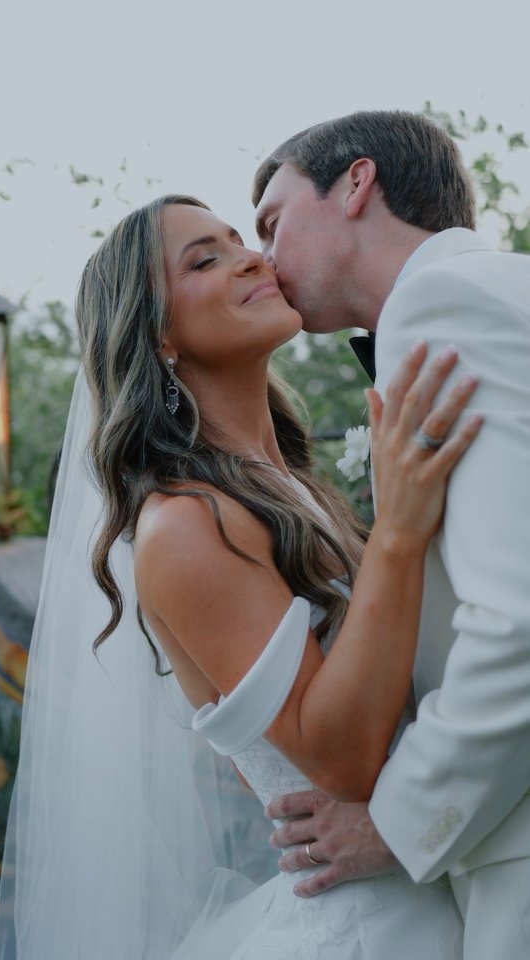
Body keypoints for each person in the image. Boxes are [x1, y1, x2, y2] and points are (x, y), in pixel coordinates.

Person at [0, 194, 480, 960]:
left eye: (239, 240)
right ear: (158, 335)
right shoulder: (185, 524)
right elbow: (342, 757)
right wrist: (397, 530)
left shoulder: (286, 485)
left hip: (442, 880)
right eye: (204, 258)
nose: (251, 256)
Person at [252, 109, 530, 959]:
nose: (260, 259)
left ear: (356, 184)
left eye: (272, 222)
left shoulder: (444, 303)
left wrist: (401, 821)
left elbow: (517, 618)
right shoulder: (495, 289)